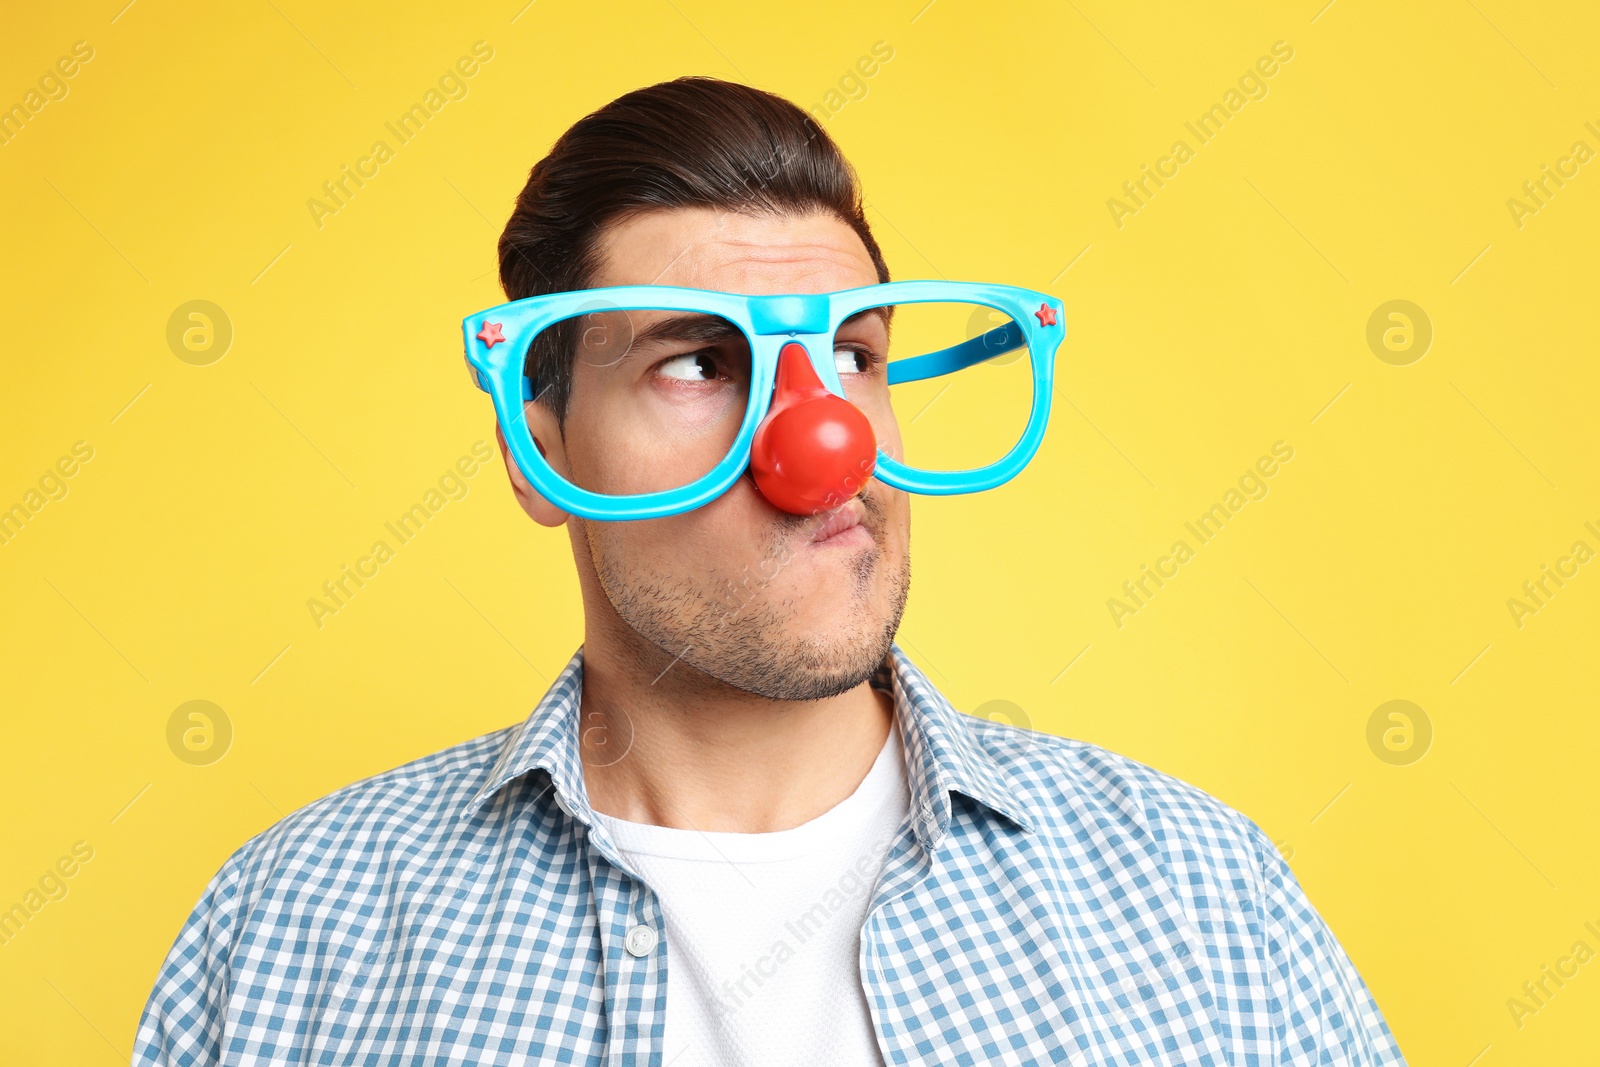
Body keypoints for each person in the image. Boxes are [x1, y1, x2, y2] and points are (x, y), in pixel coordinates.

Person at [133, 76, 1407, 1066]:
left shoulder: (1197, 894)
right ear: (538, 444)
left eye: (853, 352)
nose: (820, 445)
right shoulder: (297, 922)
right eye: (697, 361)